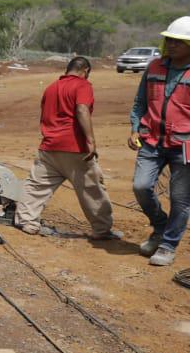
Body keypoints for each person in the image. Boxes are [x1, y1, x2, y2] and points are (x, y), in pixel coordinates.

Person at [14, 57, 118, 239]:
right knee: (92, 189)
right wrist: (90, 141)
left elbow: (45, 115)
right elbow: (82, 109)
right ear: (84, 70)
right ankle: (102, 230)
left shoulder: (51, 88)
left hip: (49, 146)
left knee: (36, 186)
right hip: (74, 147)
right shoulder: (82, 85)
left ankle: (27, 222)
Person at [128, 17, 190, 267]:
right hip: (151, 141)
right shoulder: (154, 67)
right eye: (169, 40)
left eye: (177, 41)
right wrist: (135, 128)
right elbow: (140, 102)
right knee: (141, 187)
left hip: (184, 145)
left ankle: (167, 244)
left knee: (181, 199)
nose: (171, 44)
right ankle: (160, 226)